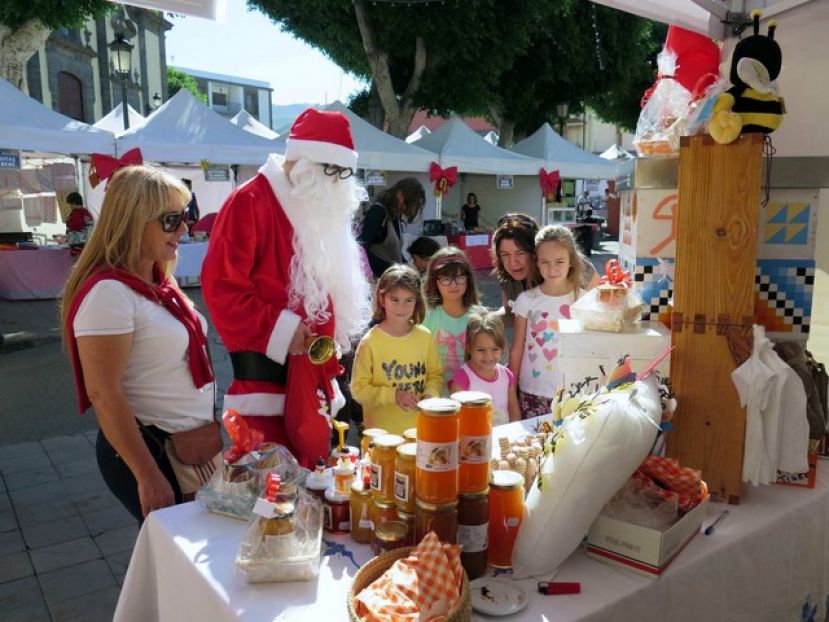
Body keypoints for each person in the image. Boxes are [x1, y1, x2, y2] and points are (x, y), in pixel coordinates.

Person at [201, 108, 372, 468]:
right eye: (334, 172)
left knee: (316, 479)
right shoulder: (250, 201)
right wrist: (282, 329)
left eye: (345, 174)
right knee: (274, 488)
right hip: (265, 391)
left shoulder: (315, 206)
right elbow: (221, 288)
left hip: (314, 385)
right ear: (307, 163)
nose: (340, 183)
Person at [61, 166, 216, 522]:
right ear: (134, 221)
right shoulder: (110, 293)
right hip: (155, 452)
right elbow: (104, 393)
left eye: (186, 216)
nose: (184, 228)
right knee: (176, 551)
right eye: (171, 220)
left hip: (188, 447)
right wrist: (147, 475)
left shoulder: (158, 282)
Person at [351, 264, 443, 434]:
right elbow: (358, 390)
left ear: (417, 301)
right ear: (382, 299)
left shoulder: (425, 337)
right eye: (395, 300)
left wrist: (430, 394)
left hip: (421, 431)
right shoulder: (369, 343)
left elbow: (435, 375)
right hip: (382, 436)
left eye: (409, 300)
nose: (402, 307)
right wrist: (394, 395)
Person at [510, 225, 587, 418]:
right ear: (536, 262)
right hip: (532, 392)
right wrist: (510, 391)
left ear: (571, 260)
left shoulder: (584, 301)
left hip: (573, 393)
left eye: (559, 261)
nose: (552, 269)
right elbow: (517, 348)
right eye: (545, 262)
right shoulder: (526, 300)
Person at [491, 213, 599, 326]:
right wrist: (485, 320)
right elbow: (511, 314)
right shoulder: (508, 279)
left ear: (535, 251)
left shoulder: (579, 268)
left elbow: (599, 307)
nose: (512, 262)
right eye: (505, 254)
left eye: (520, 252)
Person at [449, 310, 520, 426]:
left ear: (502, 346)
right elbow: (457, 420)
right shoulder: (462, 378)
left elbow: (514, 414)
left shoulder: (507, 375)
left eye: (495, 349)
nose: (488, 356)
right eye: (481, 350)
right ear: (468, 347)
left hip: (505, 436)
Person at [422, 247, 480, 388]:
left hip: (471, 391)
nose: (453, 285)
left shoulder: (479, 317)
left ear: (468, 280)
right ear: (434, 281)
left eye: (459, 278)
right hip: (435, 391)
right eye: (446, 279)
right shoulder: (427, 316)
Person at [357, 178, 426, 279]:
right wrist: (393, 269)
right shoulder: (378, 212)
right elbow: (362, 251)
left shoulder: (394, 216)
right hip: (378, 279)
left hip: (391, 278)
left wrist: (406, 268)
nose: (412, 209)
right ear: (400, 195)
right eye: (413, 203)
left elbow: (393, 253)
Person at [64, 191, 94, 256]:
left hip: (78, 241)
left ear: (74, 203)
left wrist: (68, 221)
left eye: (70, 204)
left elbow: (75, 225)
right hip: (86, 240)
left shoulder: (77, 212)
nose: (70, 207)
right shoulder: (86, 212)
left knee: (76, 258)